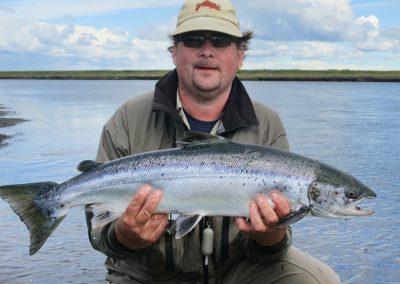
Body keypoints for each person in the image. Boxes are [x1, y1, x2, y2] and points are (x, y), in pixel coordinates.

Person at [86, 0, 340, 283]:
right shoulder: (127, 119)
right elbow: (99, 234)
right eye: (193, 40)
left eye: (220, 41)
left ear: (240, 55)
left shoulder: (268, 124)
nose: (207, 51)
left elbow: (273, 249)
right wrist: (124, 236)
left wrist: (270, 236)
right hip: (146, 272)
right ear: (174, 52)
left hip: (236, 270)